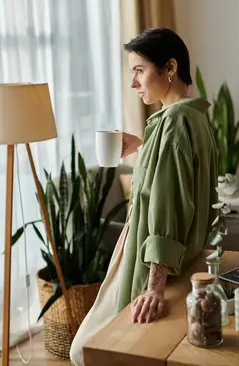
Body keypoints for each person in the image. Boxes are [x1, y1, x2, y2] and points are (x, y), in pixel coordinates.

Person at [69, 27, 218, 365]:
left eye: (139, 71)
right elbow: (181, 182)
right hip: (181, 256)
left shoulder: (174, 123)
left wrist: (154, 286)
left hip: (146, 258)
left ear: (169, 68)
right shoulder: (194, 117)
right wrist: (144, 147)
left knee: (83, 352)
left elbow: (168, 205)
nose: (133, 83)